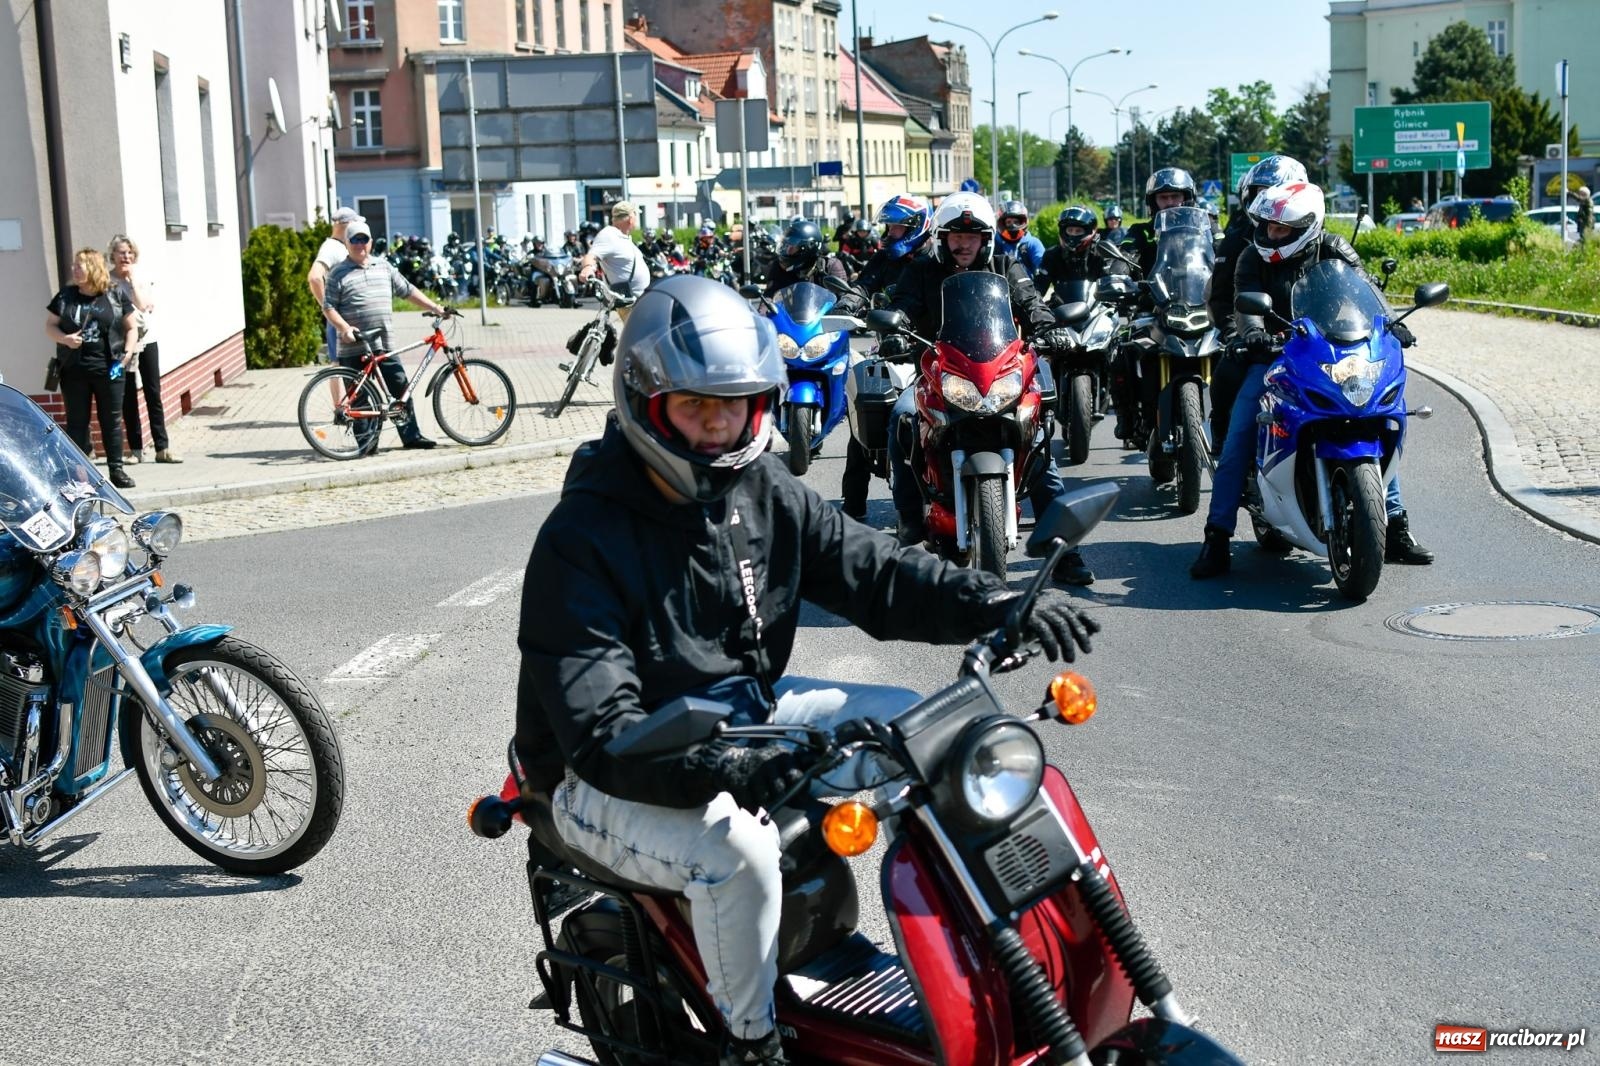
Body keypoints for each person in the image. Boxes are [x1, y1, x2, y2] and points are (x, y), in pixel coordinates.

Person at [514, 274, 1099, 1066]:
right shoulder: (582, 538)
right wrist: (729, 765)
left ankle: (970, 969)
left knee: (916, 728)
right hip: (603, 777)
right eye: (696, 407)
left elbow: (877, 572)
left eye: (737, 405)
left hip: (737, 718)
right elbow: (600, 731)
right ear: (646, 402)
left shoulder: (762, 490)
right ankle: (752, 1046)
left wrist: (996, 601)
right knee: (736, 851)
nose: (719, 428)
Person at [1190, 181, 1434, 579]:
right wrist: (1251, 333)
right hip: (1274, 357)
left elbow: (1366, 288)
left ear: (1307, 225)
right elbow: (1244, 302)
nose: (1272, 235)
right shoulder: (1252, 257)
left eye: (1282, 229)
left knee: (1375, 418)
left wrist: (1391, 325)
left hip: (1334, 354)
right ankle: (1216, 538)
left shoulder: (1334, 247)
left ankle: (1395, 529)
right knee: (1239, 435)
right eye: (1268, 227)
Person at [884, 191, 1095, 585]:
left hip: (1000, 372)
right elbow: (904, 304)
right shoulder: (922, 270)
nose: (964, 243)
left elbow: (1031, 303)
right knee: (900, 419)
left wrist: (1050, 328)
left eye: (973, 235)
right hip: (939, 373)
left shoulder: (1005, 265)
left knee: (1038, 445)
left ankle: (1065, 551)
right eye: (955, 236)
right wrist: (895, 327)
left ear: (986, 239)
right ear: (942, 238)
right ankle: (910, 519)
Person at [839, 195, 933, 521]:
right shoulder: (884, 260)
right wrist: (844, 306)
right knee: (863, 408)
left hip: (933, 351)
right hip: (890, 347)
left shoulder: (934, 259)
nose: (891, 232)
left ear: (917, 228)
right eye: (890, 226)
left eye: (898, 227)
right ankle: (852, 507)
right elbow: (862, 286)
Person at [321, 219, 449, 451]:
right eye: (354, 240)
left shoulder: (384, 266)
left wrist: (434, 307)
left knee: (400, 387)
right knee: (359, 397)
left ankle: (412, 437)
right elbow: (328, 307)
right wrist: (344, 328)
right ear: (347, 243)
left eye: (364, 239)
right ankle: (367, 444)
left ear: (370, 242)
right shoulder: (338, 273)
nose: (360, 244)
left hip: (383, 343)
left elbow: (407, 290)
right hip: (353, 345)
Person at [1209, 155, 1308, 452]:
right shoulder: (1240, 241)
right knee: (1228, 375)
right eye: (1259, 194)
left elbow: (1346, 288)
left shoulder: (1318, 237)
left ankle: (1388, 499)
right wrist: (1235, 334)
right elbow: (1222, 296)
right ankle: (1223, 436)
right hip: (1258, 340)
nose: (1267, 202)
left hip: (1310, 340)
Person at [45, 248, 141, 488]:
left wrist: (126, 356)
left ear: (94, 267)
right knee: (77, 422)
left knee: (111, 420)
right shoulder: (66, 296)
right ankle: (79, 475)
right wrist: (65, 339)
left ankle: (116, 470)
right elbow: (50, 326)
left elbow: (131, 327)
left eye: (80, 265)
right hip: (74, 370)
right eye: (74, 266)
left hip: (109, 369)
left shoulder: (114, 294)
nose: (74, 270)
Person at [108, 235, 179, 465]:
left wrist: (131, 283)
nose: (125, 256)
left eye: (129, 252)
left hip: (147, 341)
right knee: (128, 395)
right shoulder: (108, 281)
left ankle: (162, 447)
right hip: (123, 344)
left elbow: (144, 306)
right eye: (121, 252)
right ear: (113, 255)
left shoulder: (141, 277)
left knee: (152, 392)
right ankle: (136, 449)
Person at [761, 218, 862, 308]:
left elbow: (842, 298)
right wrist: (764, 310)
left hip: (824, 325)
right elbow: (769, 295)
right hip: (788, 325)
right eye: (784, 246)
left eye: (791, 248)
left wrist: (843, 309)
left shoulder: (830, 266)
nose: (786, 251)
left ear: (807, 248)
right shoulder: (778, 267)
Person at [1118, 167, 1199, 277]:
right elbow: (1126, 255)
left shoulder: (1203, 229)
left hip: (1199, 290)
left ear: (1187, 198)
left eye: (1175, 196)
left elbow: (1222, 254)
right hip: (1152, 292)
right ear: (1153, 202)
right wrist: (1117, 274)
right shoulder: (1141, 231)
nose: (1170, 202)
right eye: (1163, 197)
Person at [308, 206, 363, 363]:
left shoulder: (339, 246)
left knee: (344, 368)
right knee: (338, 367)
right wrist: (328, 309)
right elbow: (315, 278)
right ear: (347, 224)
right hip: (341, 319)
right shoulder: (331, 248)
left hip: (346, 318)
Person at [578, 200, 650, 309]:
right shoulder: (609, 235)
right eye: (636, 215)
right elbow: (591, 256)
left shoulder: (622, 237)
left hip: (639, 301)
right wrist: (587, 268)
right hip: (629, 301)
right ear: (631, 219)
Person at [1036, 205, 1112, 305]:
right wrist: (1033, 304)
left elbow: (1110, 284)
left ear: (1090, 231)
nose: (1073, 234)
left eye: (1078, 231)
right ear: (1063, 231)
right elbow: (1039, 286)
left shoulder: (1101, 254)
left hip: (1096, 308)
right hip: (1061, 308)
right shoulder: (1052, 255)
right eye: (1070, 230)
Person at [994, 200, 1045, 278]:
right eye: (1008, 222)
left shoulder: (1032, 243)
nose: (1013, 225)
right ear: (1002, 223)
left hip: (1027, 288)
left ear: (1023, 222)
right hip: (1000, 288)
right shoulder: (994, 243)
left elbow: (1043, 265)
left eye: (1016, 222)